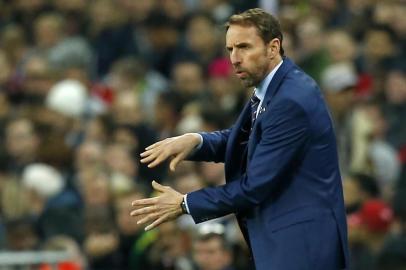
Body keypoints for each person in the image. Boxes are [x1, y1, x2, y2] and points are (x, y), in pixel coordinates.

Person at [131, 8, 349, 270]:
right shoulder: (273, 88)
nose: (234, 58)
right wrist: (196, 141)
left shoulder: (291, 99)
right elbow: (246, 140)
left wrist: (184, 204)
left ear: (273, 47)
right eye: (230, 49)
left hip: (302, 246)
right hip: (287, 240)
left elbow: (253, 187)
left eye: (244, 47)